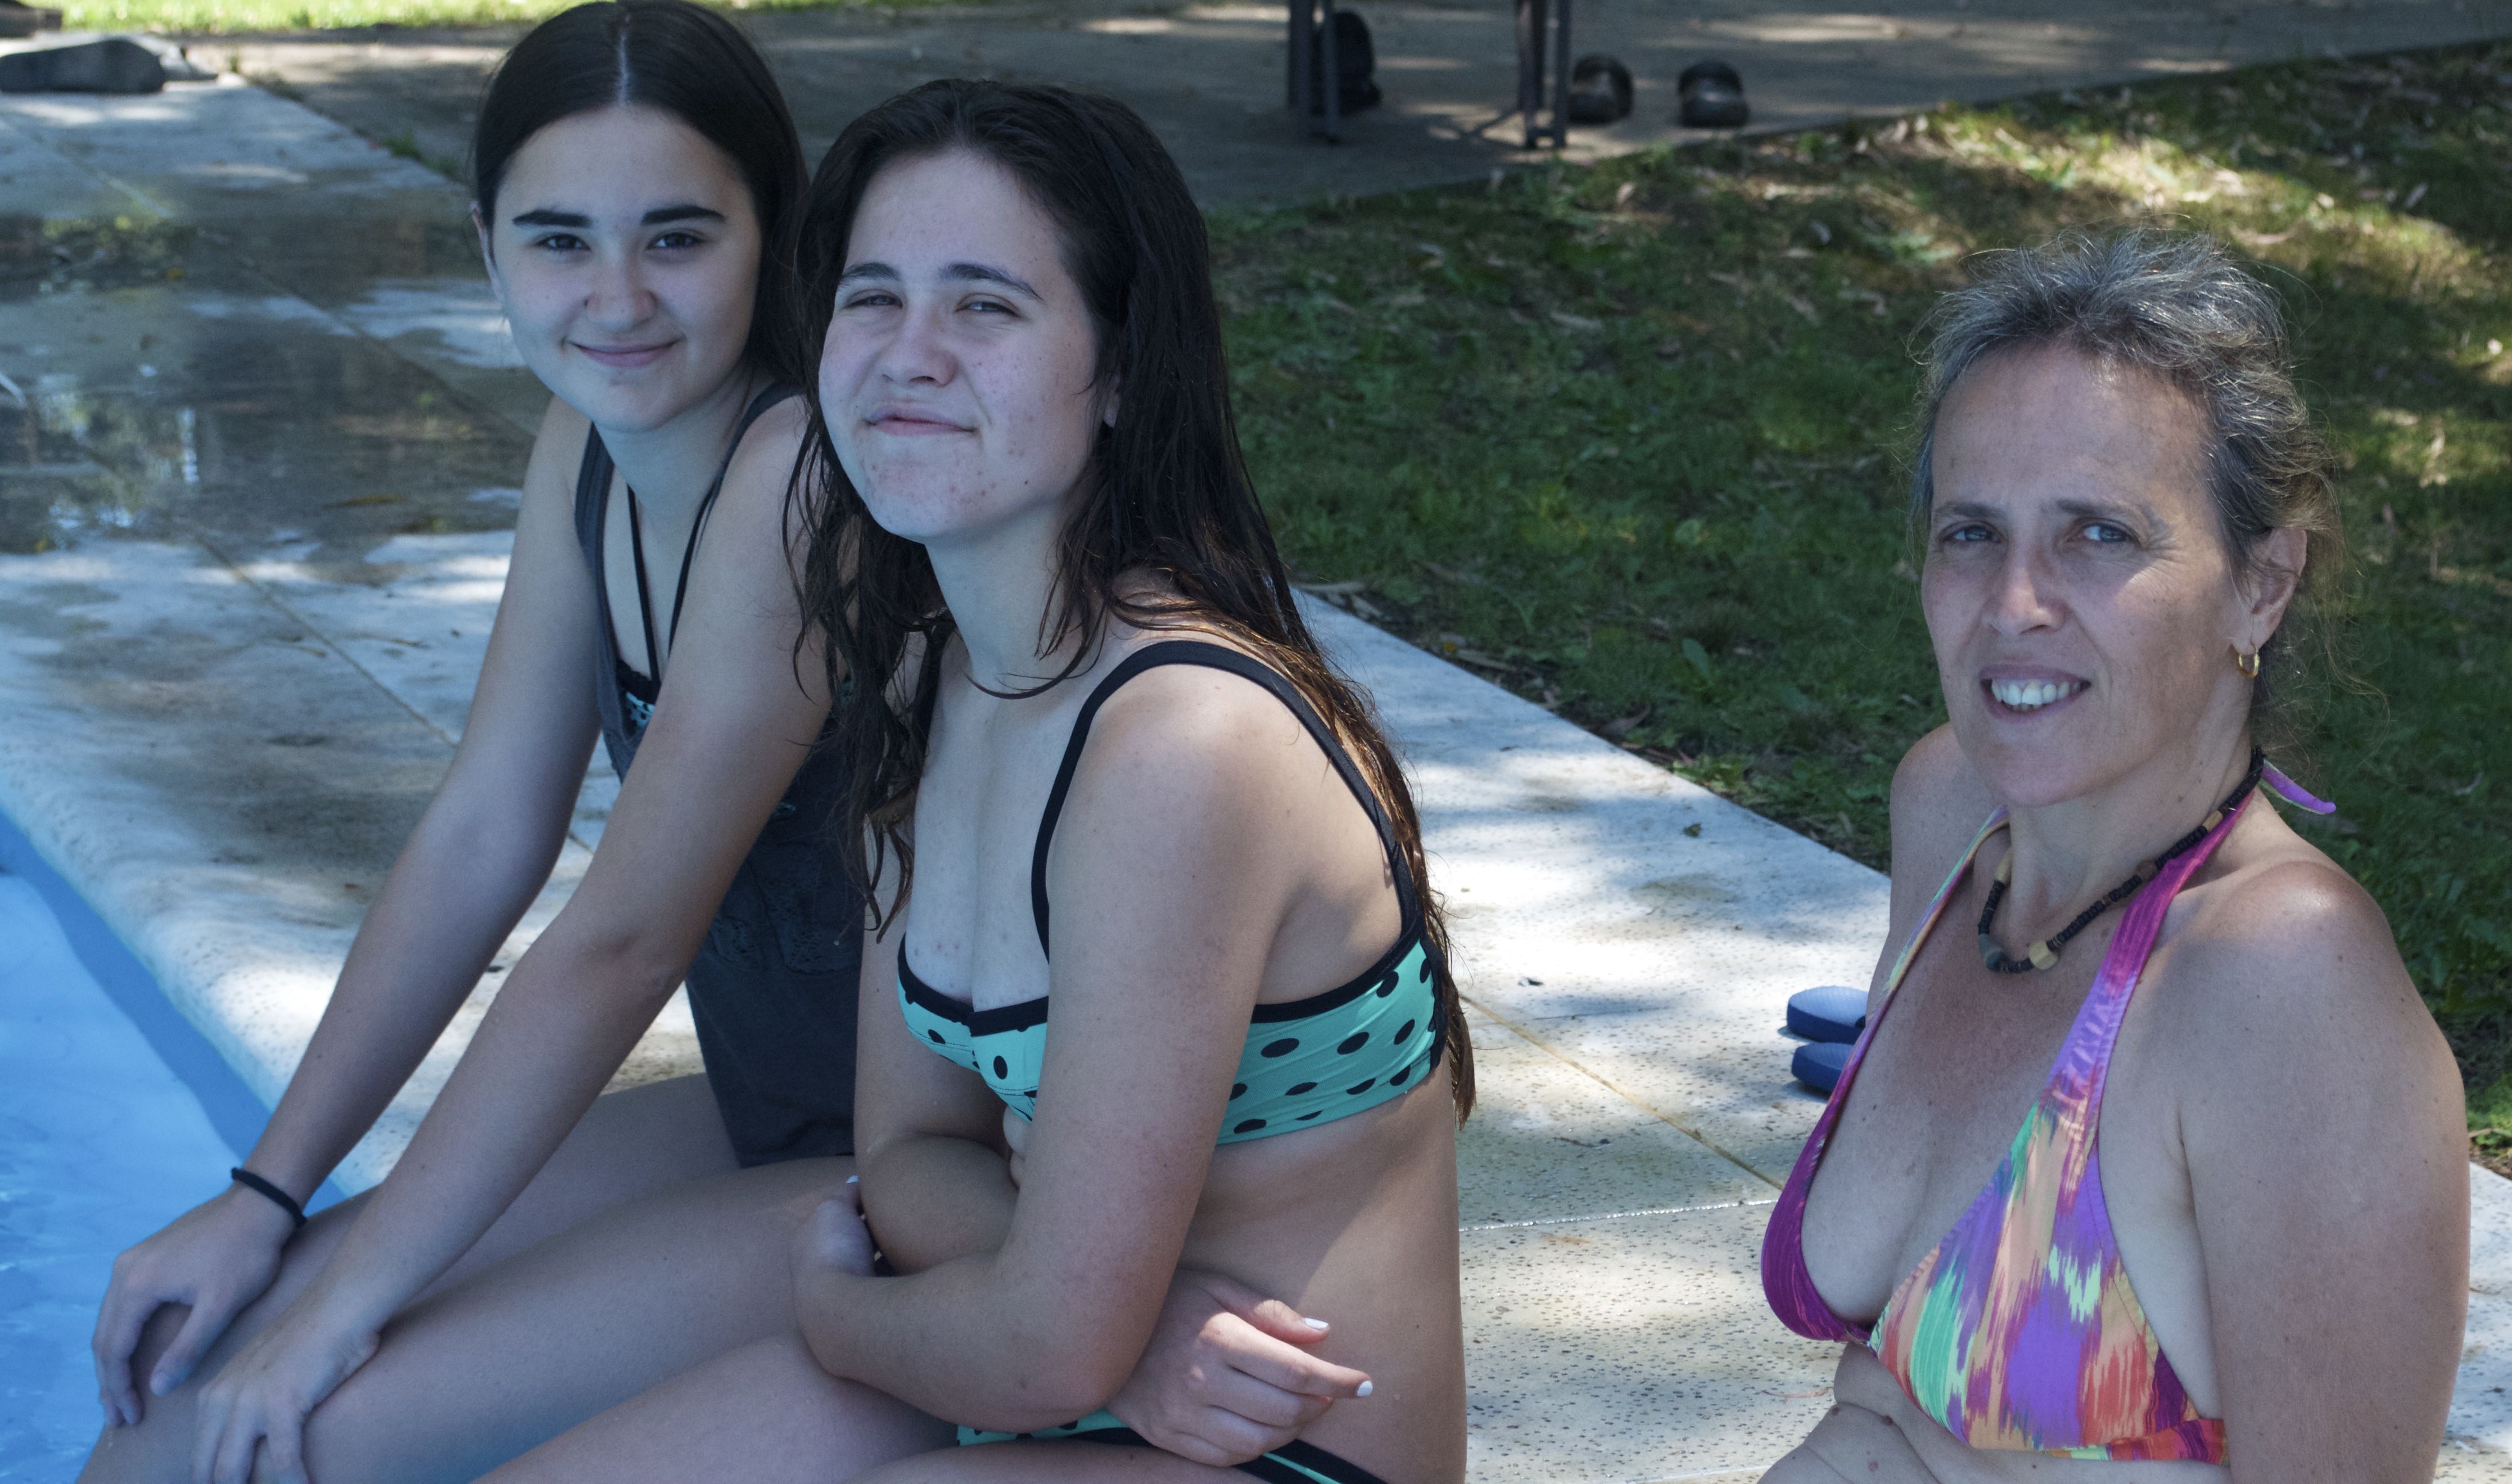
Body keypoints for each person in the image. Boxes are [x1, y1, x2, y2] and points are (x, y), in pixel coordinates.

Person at [471, 80, 1474, 1484]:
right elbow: (908, 1149)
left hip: (1276, 1459)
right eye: (872, 298)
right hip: (1060, 1378)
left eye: (985, 307)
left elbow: (1041, 1349)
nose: (909, 356)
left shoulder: (1180, 748)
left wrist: (844, 1312)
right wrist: (1076, 1315)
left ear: (1120, 368)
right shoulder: (938, 673)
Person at [81, 4, 874, 1477]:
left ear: (774, 232)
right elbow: (483, 834)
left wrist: (343, 1314)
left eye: (677, 237)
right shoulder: (587, 452)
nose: (617, 299)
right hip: (768, 1110)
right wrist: (266, 1192)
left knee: (277, 1445)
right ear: (486, 245)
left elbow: (624, 939)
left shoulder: (801, 481)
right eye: (560, 240)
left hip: (933, 1168)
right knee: (168, 1424)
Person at [1758, 230, 2466, 1482]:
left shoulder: (2280, 980)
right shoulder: (1953, 815)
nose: (2012, 602)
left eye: (2097, 534)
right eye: (1971, 531)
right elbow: (1888, 1397)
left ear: (2261, 583)